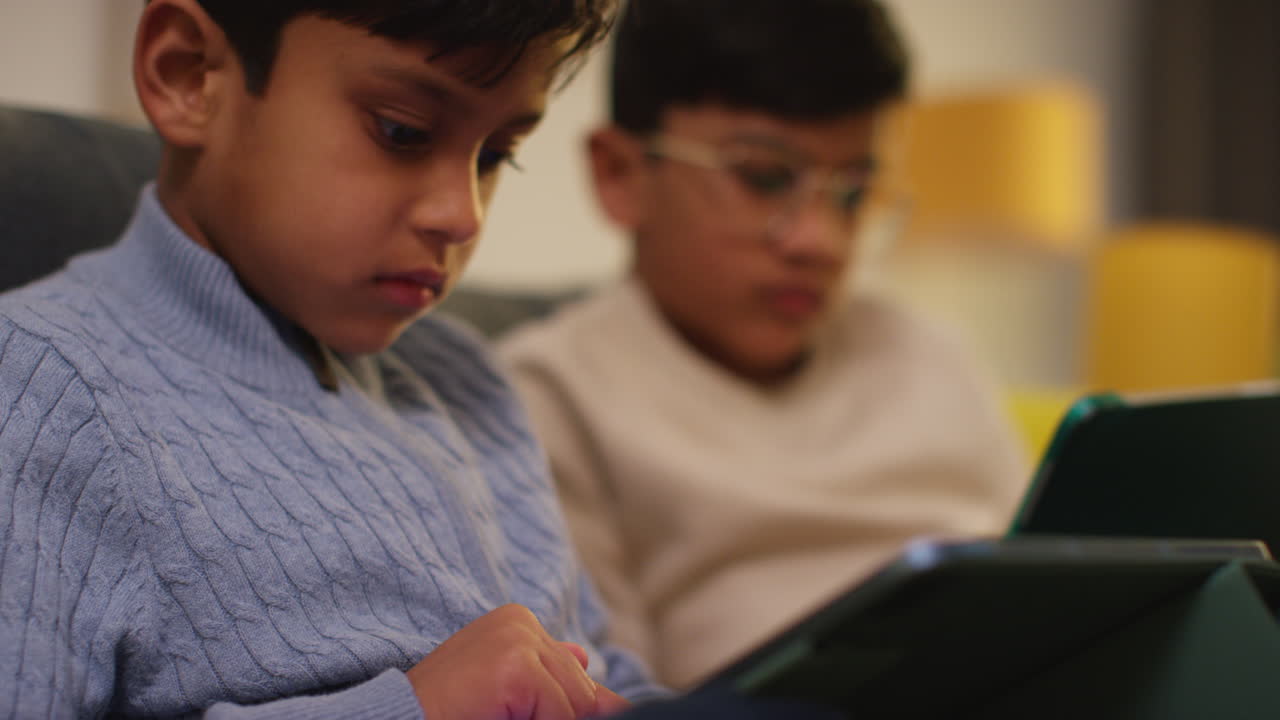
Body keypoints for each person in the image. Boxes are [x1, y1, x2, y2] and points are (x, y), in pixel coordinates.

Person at [0, 1, 673, 717]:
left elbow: (595, 663)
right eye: (402, 132)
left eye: (495, 155)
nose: (463, 214)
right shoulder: (40, 387)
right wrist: (414, 709)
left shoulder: (462, 377)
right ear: (188, 75)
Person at [498, 0, 1030, 689]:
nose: (821, 242)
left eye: (854, 192)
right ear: (621, 175)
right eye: (764, 177)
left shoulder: (931, 354)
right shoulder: (549, 396)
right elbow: (601, 692)